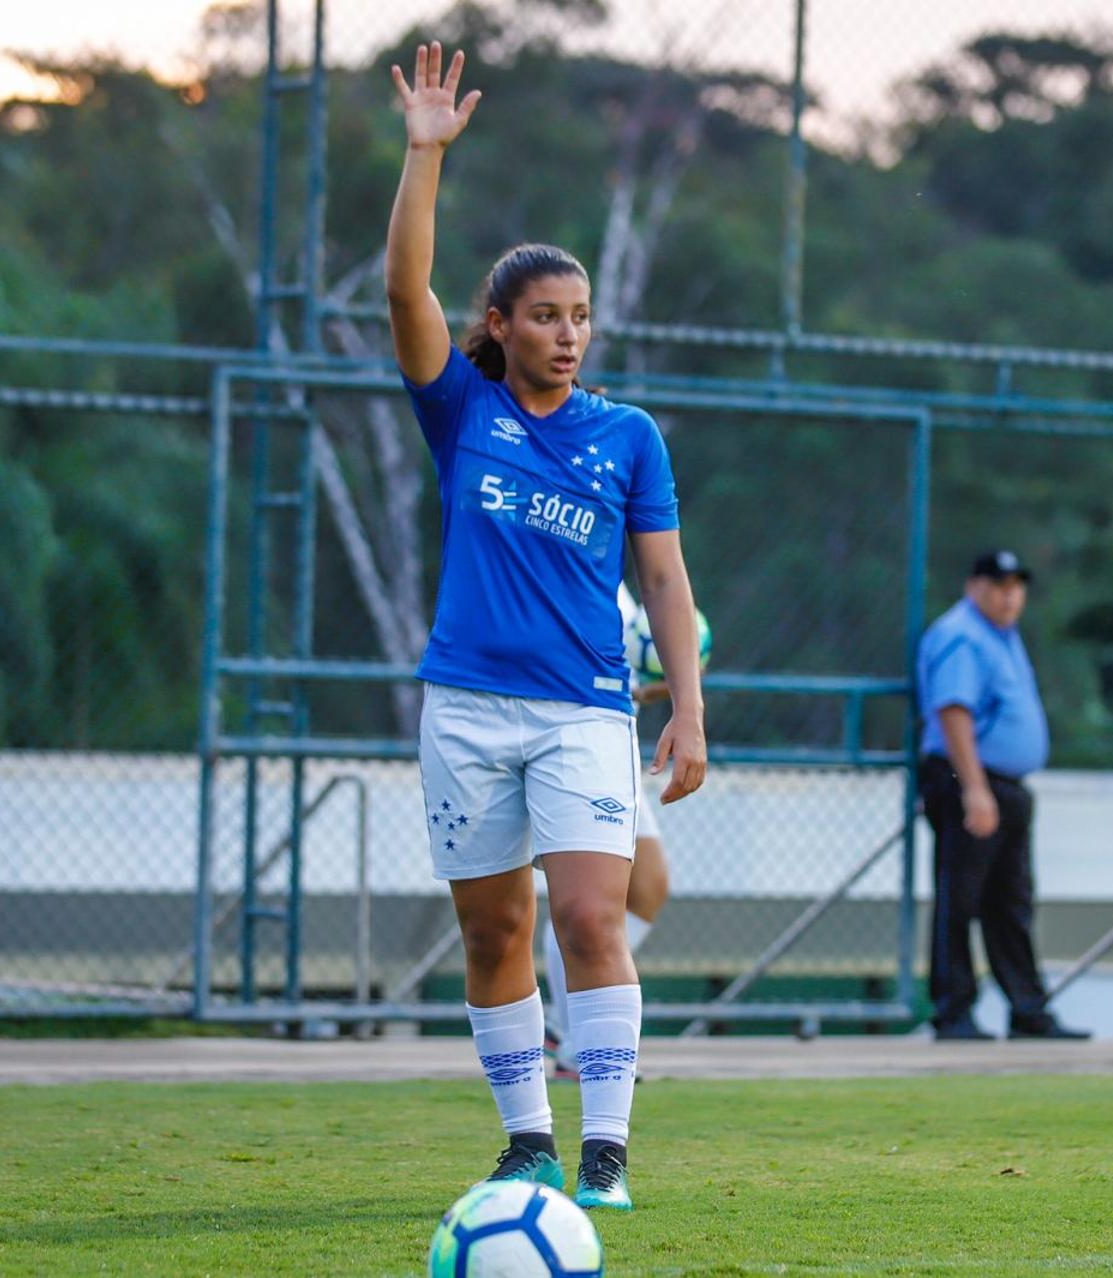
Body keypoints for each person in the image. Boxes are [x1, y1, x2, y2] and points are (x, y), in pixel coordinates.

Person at [385, 41, 708, 1212]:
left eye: (581, 316)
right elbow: (402, 292)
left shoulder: (630, 437)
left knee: (588, 913)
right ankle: (527, 1141)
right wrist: (425, 156)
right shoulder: (461, 408)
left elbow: (666, 586)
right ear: (502, 323)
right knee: (494, 934)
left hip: (584, 710)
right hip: (467, 709)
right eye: (546, 317)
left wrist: (688, 714)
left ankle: (606, 1149)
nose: (568, 335)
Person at [916, 550, 1089, 1042]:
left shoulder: (1002, 637)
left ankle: (1027, 1008)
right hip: (968, 780)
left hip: (1005, 787)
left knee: (1011, 901)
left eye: (1016, 584)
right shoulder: (961, 636)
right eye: (998, 584)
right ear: (974, 587)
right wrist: (974, 789)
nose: (1010, 594)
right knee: (961, 898)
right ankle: (953, 1011)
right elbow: (953, 712)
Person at [540, 583, 675, 1077]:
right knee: (583, 902)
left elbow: (622, 676)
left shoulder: (614, 581)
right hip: (575, 746)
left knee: (648, 888)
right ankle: (576, 1038)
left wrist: (675, 683)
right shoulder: (563, 560)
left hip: (617, 745)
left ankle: (561, 1018)